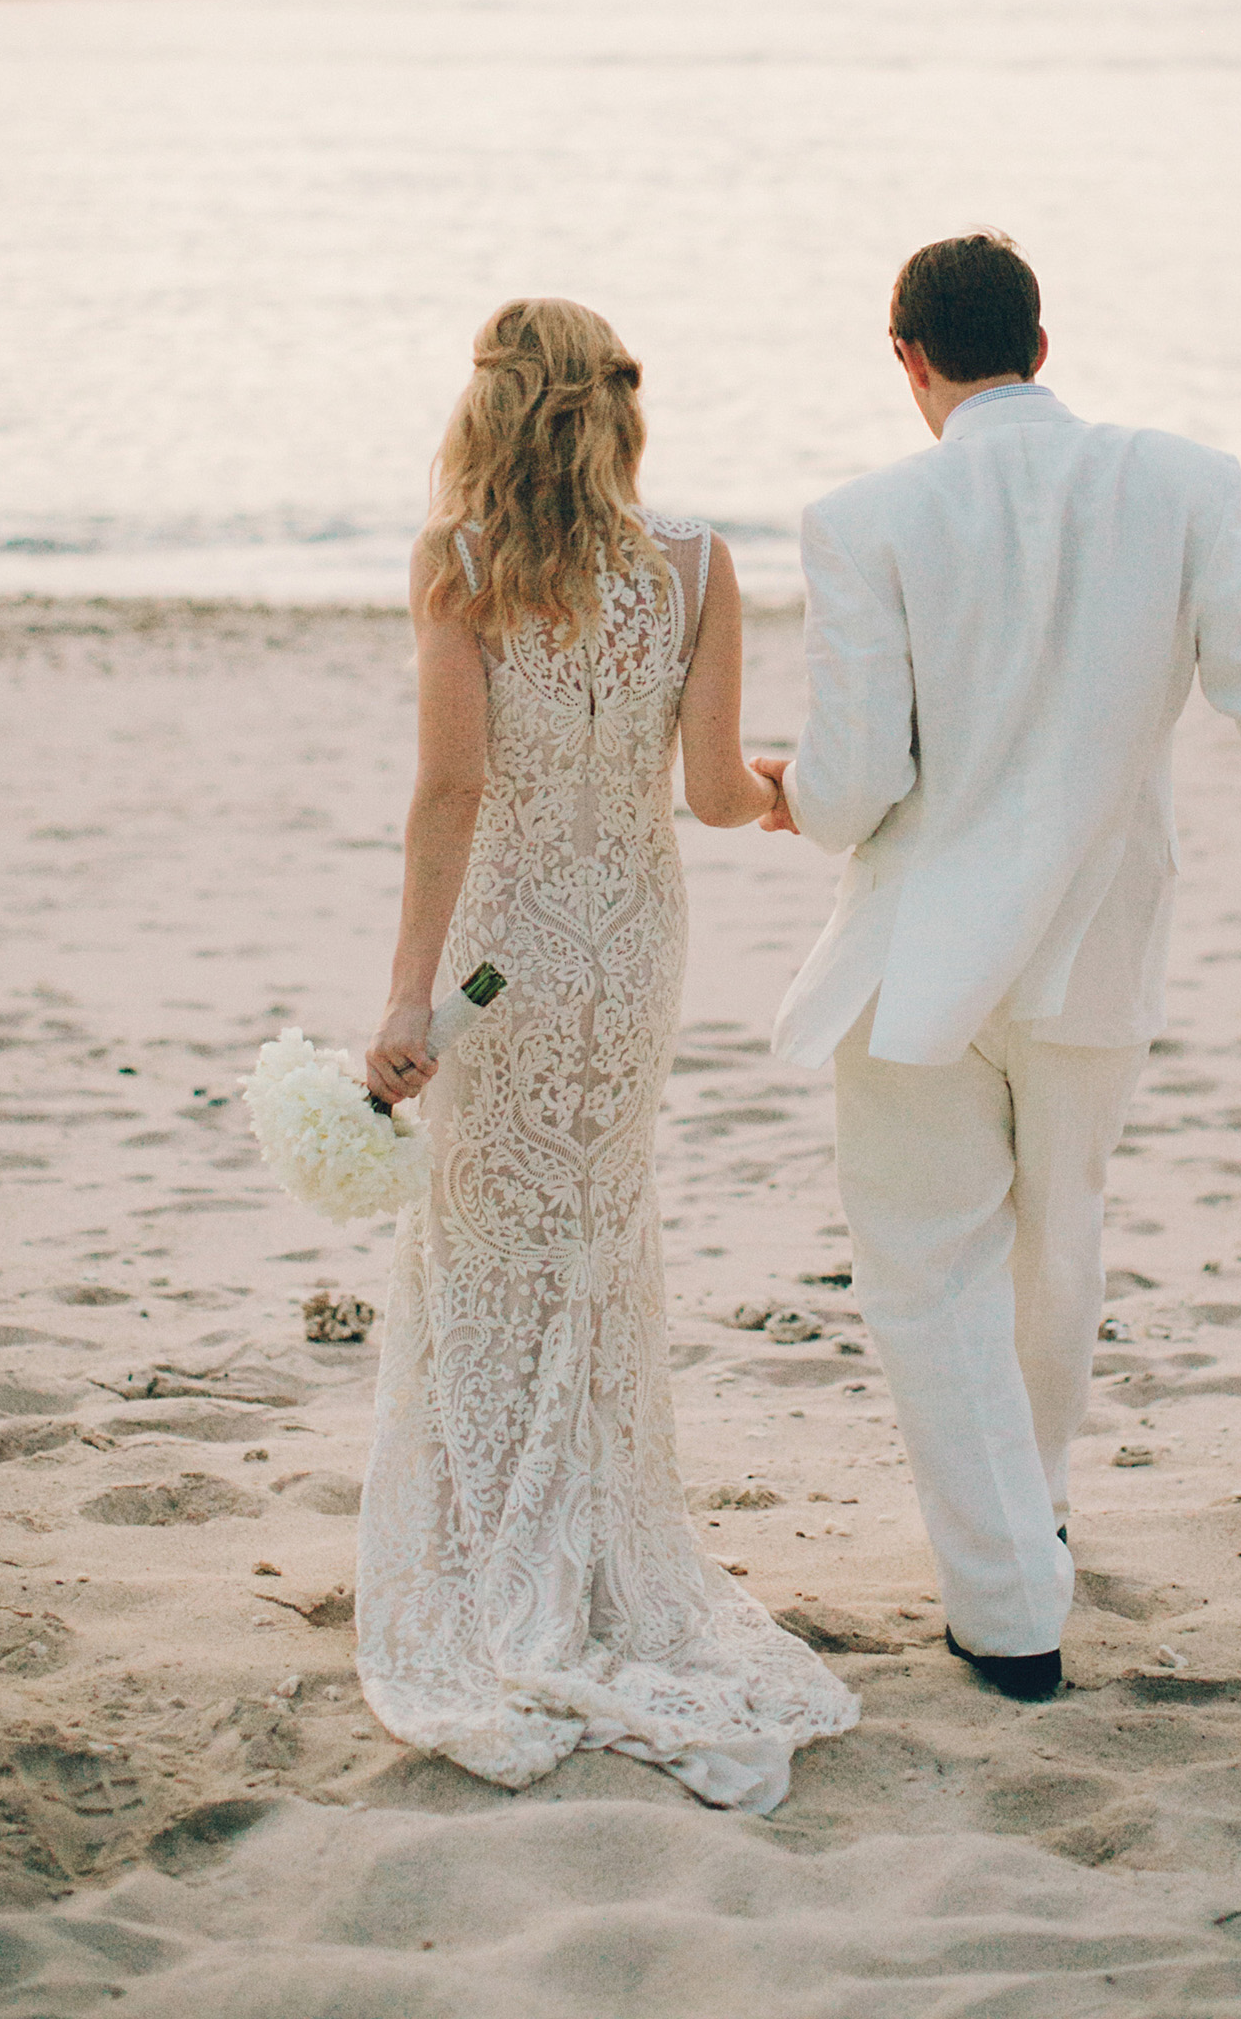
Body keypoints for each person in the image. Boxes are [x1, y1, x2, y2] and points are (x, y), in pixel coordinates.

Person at [754, 234, 1241, 1702]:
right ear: (1042, 343)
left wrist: (783, 793)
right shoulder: (1182, 483)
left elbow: (854, 789)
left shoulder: (861, 518)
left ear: (906, 357)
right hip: (1096, 946)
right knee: (1057, 1247)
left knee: (927, 1277)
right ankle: (1040, 1514)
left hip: (916, 973)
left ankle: (1010, 1602)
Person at [356, 297, 858, 1810]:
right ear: (616, 410)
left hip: (507, 951)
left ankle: (488, 1549)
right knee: (596, 1226)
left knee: (488, 1234)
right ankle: (591, 1559)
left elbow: (450, 793)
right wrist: (797, 794)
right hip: (631, 949)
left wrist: (403, 998)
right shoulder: (698, 567)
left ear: (491, 411)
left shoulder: (459, 569)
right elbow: (710, 794)